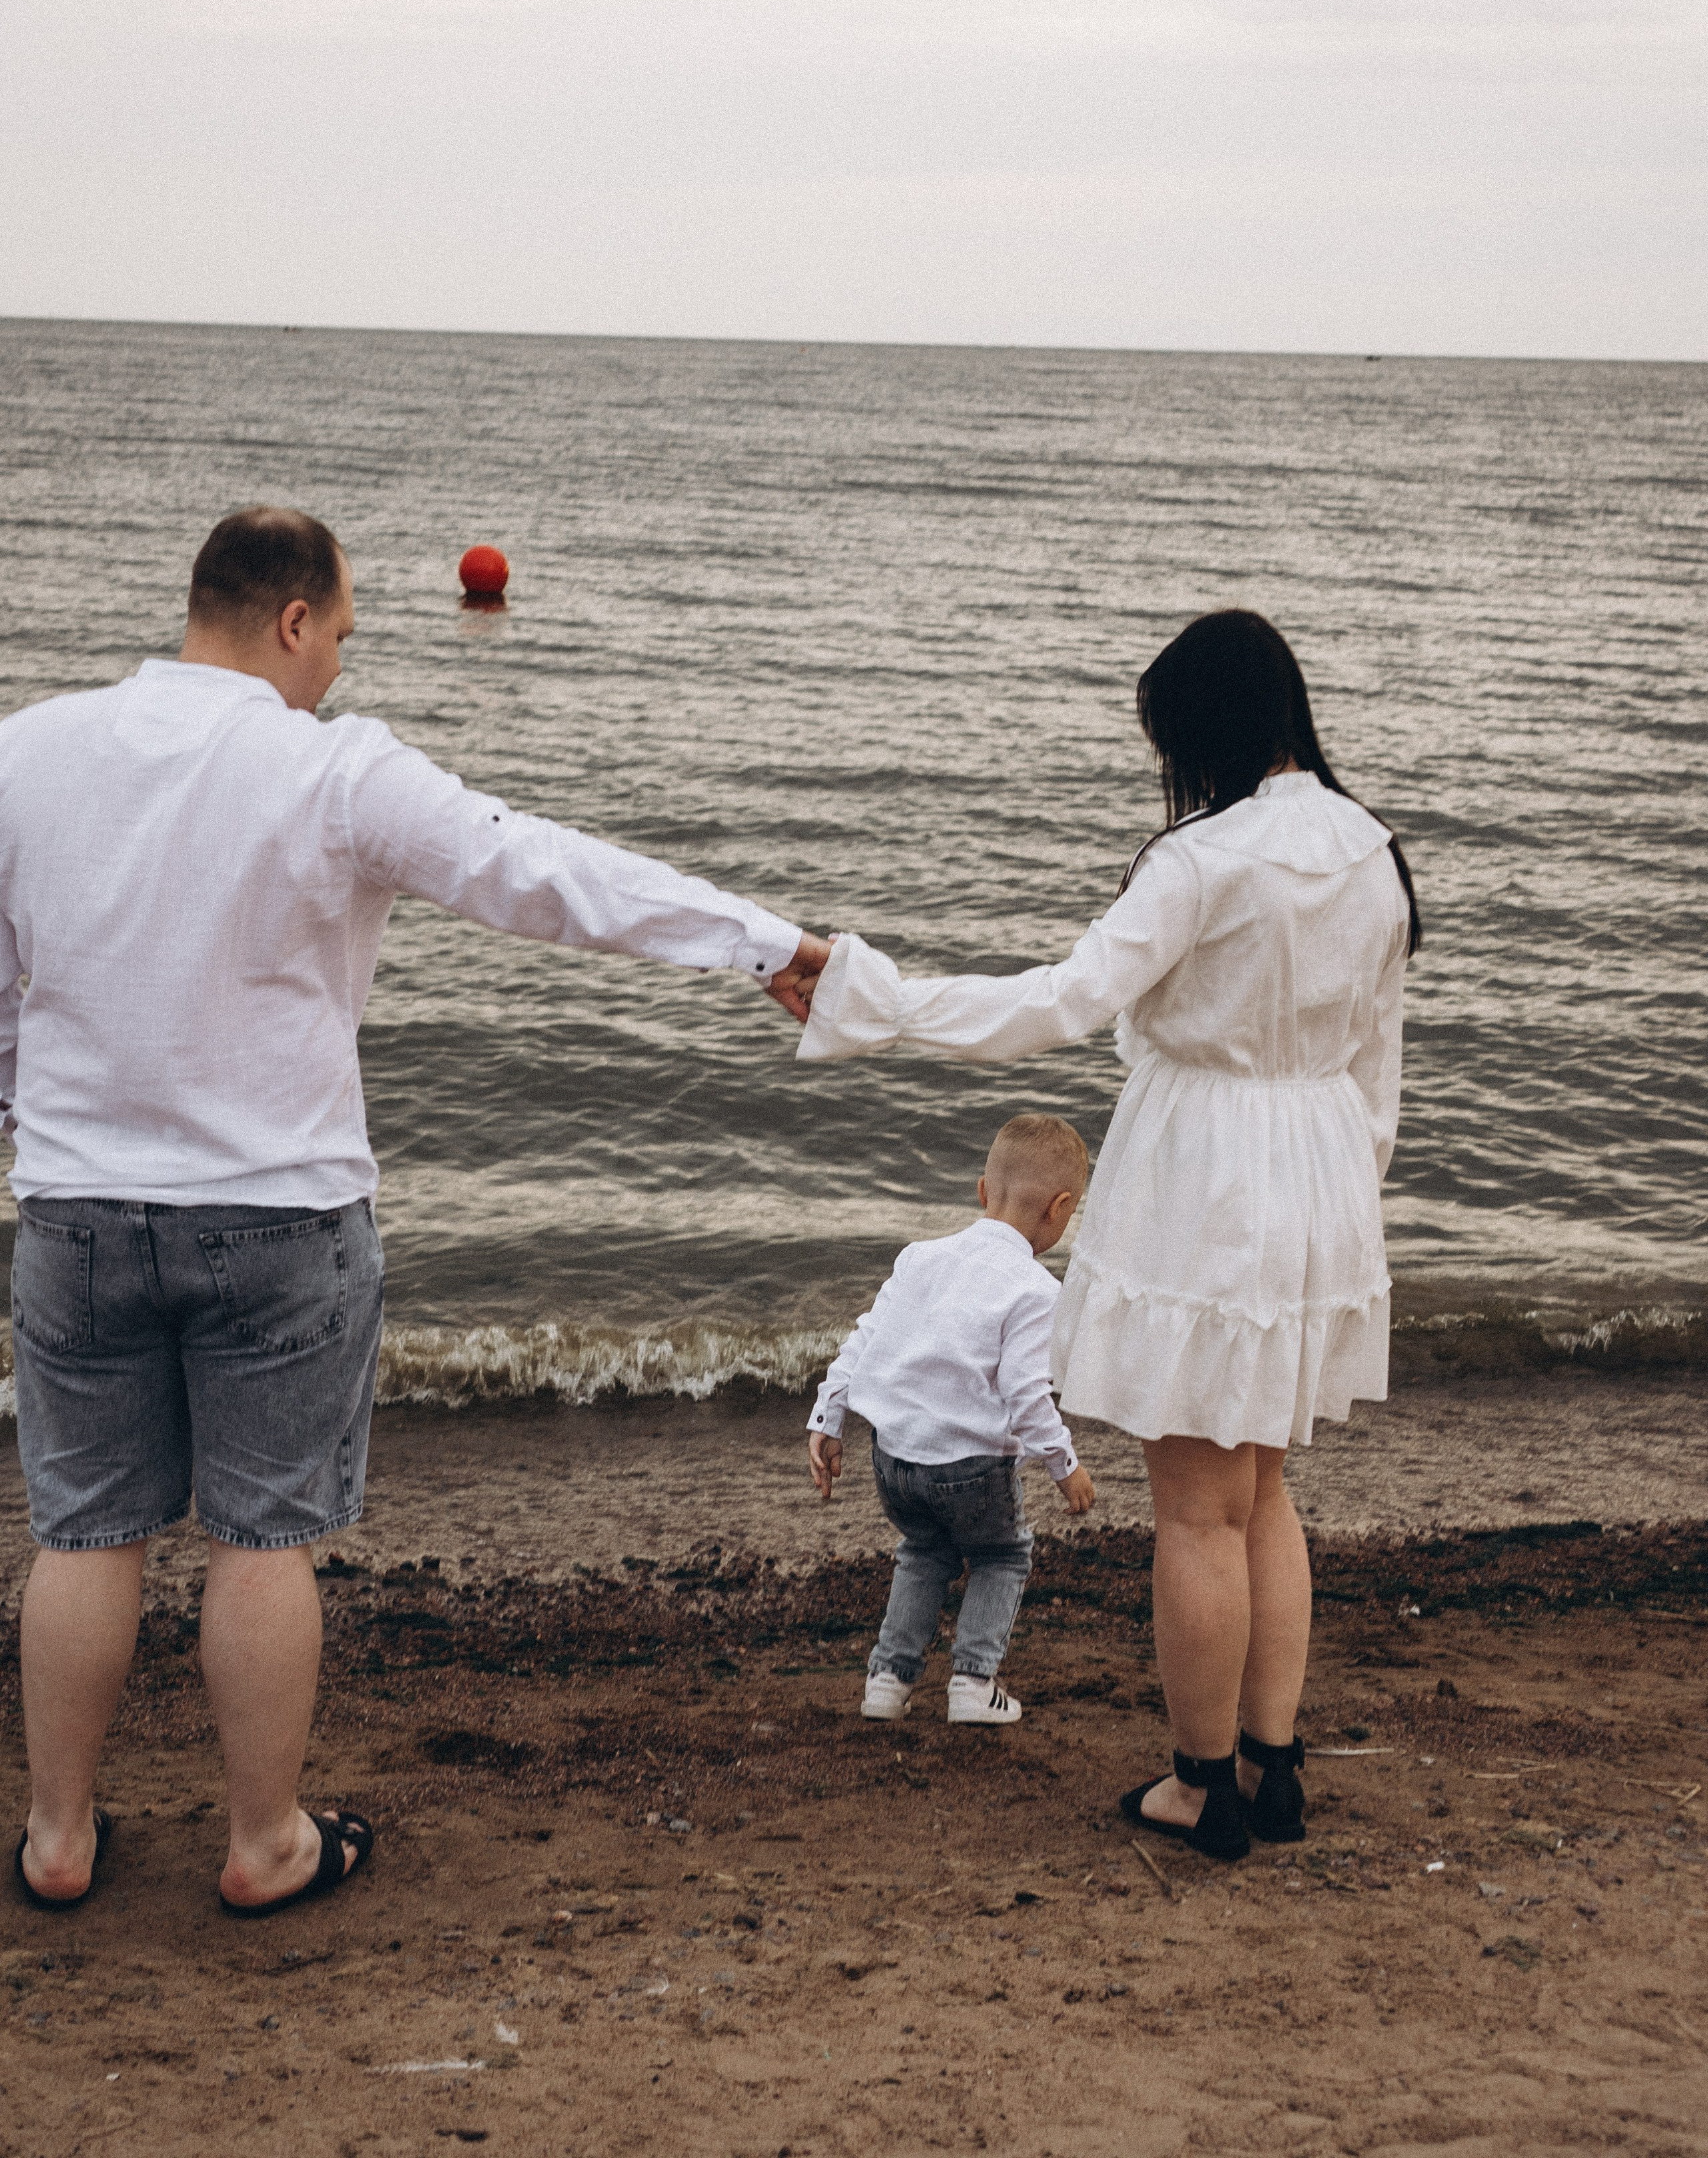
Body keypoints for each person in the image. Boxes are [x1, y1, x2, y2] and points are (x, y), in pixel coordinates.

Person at [1, 506, 828, 1916]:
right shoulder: (333, 773)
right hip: (278, 1220)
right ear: (293, 622)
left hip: (75, 1212)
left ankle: (58, 1840)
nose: (335, 669)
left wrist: (37, 1126)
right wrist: (758, 942)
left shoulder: (28, 751)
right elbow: (540, 871)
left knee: (83, 1530)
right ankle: (263, 1846)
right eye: (341, 638)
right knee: (261, 1539)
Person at [798, 610, 1419, 1860]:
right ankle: (1272, 1764)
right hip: (1320, 1170)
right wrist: (1342, 1200)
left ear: (1204, 732)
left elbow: (1056, 1005)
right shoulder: (1373, 850)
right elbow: (1378, 1074)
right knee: (1262, 1490)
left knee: (1196, 1506)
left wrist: (869, 993)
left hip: (1209, 1169)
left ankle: (1203, 1789)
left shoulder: (1199, 860)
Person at [806, 1113, 1098, 1727]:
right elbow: (1025, 1394)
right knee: (1001, 1558)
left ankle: (887, 1682)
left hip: (895, 1460)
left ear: (982, 1190)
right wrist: (1063, 1464)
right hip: (972, 1469)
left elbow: (865, 1340)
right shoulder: (1035, 1289)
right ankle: (972, 1682)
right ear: (1061, 1208)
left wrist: (827, 1419)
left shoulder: (920, 1259)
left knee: (924, 1552)